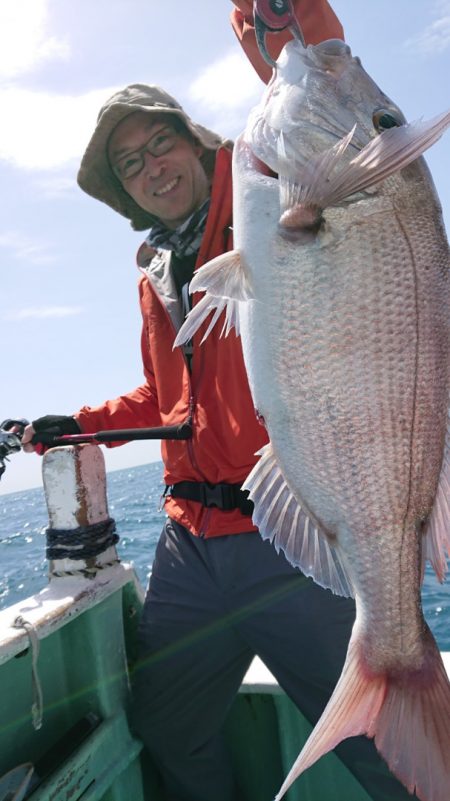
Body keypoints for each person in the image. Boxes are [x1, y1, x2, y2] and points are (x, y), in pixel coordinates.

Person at [22, 3, 419, 800]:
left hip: (286, 537)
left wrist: (274, 14)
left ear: (200, 142)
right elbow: (173, 394)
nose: (152, 166)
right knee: (168, 726)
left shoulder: (269, 199)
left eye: (160, 141)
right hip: (186, 552)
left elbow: (309, 63)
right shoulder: (155, 275)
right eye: (130, 164)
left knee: (387, 751)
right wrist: (81, 424)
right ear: (123, 191)